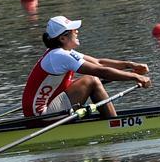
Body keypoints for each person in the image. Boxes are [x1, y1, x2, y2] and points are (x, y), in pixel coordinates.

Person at [22, 15, 151, 118]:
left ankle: (111, 120)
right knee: (92, 80)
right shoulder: (59, 55)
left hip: (45, 109)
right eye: (73, 30)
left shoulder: (61, 52)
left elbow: (99, 62)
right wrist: (136, 77)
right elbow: (101, 71)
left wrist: (130, 65)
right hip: (40, 116)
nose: (77, 31)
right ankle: (114, 124)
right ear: (62, 38)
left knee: (94, 80)